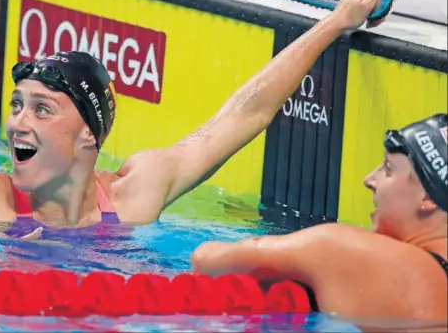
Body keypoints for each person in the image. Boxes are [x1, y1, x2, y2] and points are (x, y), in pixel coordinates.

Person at [0, 0, 383, 240]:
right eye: (17, 106)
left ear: (88, 136)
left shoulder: (134, 197)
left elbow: (244, 115)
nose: (18, 122)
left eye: (42, 110)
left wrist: (336, 22)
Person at [190, 114, 448, 322]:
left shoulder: (344, 251)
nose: (369, 180)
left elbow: (206, 261)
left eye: (388, 169)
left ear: (428, 198)